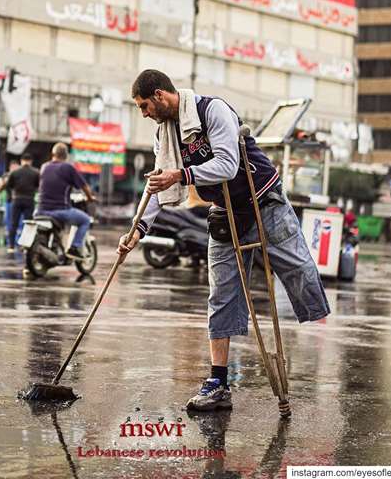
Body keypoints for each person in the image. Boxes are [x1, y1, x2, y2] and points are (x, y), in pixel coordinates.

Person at [118, 69, 330, 411]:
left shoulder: (212, 111)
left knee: (302, 272)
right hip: (225, 212)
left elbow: (228, 165)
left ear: (159, 95)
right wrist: (137, 231)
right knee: (221, 296)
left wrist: (183, 174)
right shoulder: (165, 135)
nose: (143, 114)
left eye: (144, 105)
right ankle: (218, 381)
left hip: (264, 200)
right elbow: (160, 185)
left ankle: (319, 332)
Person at [36, 142, 96, 261]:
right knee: (85, 220)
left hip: (40, 210)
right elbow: (84, 187)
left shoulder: (44, 167)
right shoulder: (67, 168)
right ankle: (74, 247)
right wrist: (90, 198)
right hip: (59, 210)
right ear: (66, 156)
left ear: (53, 154)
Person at [3, 154, 40, 253]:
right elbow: (38, 185)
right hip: (29, 200)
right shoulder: (35, 172)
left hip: (17, 199)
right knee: (28, 224)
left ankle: (11, 246)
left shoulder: (15, 172)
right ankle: (25, 246)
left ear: (21, 161)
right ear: (31, 161)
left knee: (13, 223)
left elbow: (9, 185)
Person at [0, 159, 22, 248]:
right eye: (13, 167)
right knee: (9, 222)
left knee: (19, 222)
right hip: (9, 202)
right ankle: (10, 241)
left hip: (19, 202)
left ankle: (19, 241)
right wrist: (4, 182)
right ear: (10, 168)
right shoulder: (6, 176)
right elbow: (0, 189)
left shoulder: (22, 175)